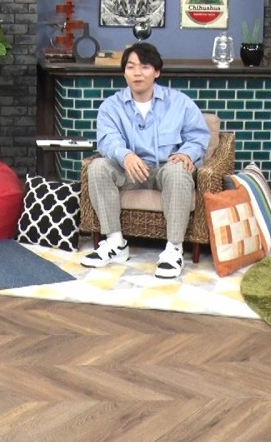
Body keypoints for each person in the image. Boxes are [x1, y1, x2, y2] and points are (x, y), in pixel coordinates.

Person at [82, 42, 211, 279]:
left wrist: (187, 153)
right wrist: (126, 156)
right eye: (131, 67)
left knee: (179, 170)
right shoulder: (110, 106)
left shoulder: (180, 102)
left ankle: (174, 249)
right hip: (130, 171)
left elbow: (198, 136)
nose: (137, 73)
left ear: (157, 72)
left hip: (166, 170)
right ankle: (116, 243)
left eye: (144, 67)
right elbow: (107, 139)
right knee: (98, 167)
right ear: (124, 73)